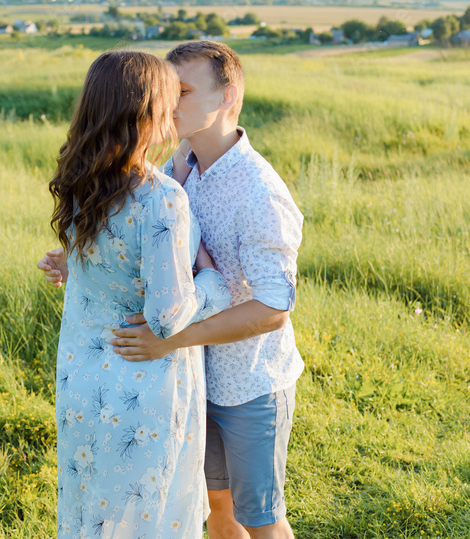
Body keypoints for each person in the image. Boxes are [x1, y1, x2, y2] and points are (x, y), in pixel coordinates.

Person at [39, 41, 304, 539]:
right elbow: (138, 250)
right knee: (216, 513)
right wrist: (81, 262)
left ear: (227, 97)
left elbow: (273, 308)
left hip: (247, 381)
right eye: (166, 89)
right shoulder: (173, 171)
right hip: (186, 380)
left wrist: (173, 338)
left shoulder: (259, 191)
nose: (169, 102)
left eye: (182, 90)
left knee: (262, 520)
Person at [45, 50, 231, 538]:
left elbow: (105, 269)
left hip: (81, 380)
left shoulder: (82, 181)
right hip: (141, 386)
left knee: (93, 512)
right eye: (169, 101)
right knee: (147, 517)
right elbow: (169, 318)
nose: (175, 112)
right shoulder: (162, 197)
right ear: (146, 112)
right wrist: (213, 283)